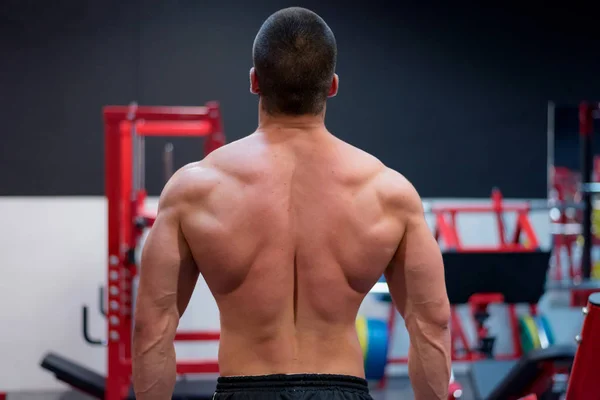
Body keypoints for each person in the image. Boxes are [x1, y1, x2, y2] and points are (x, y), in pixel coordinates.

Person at [132, 6, 451, 400]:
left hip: (243, 390)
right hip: (344, 390)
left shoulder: (195, 189)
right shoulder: (389, 192)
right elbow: (431, 326)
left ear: (254, 81)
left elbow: (152, 328)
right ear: (332, 85)